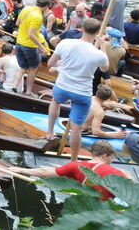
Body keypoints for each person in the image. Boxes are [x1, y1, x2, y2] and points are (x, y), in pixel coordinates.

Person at [46, 18, 110, 162]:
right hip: (82, 93)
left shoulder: (65, 43)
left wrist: (61, 65)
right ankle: (74, 161)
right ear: (96, 33)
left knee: (55, 101)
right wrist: (102, 46)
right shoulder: (98, 54)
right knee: (76, 129)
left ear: (82, 29)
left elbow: (50, 63)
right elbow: (105, 69)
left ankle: (50, 133)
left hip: (62, 86)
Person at [8, 140, 128, 200]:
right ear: (104, 156)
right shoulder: (118, 173)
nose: (112, 161)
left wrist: (20, 170)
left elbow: (44, 172)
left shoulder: (76, 166)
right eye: (111, 158)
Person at [15, 0, 51, 96]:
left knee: (22, 67)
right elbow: (31, 35)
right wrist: (42, 47)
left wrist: (32, 29)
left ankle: (14, 87)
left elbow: (18, 23)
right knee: (33, 69)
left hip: (19, 43)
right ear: (46, 6)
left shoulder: (26, 8)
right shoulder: (38, 16)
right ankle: (28, 92)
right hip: (29, 45)